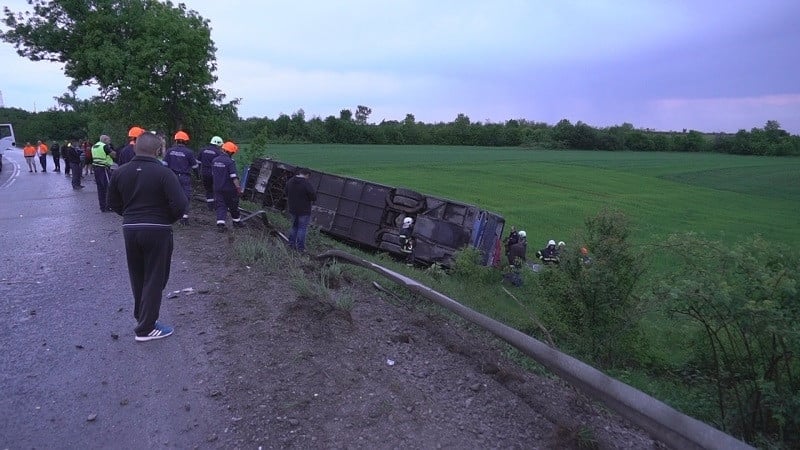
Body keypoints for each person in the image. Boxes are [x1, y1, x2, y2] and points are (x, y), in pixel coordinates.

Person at [107, 131, 189, 342]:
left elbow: (113, 203)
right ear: (158, 150)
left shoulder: (120, 172)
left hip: (131, 229)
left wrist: (130, 216)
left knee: (138, 277)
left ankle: (141, 317)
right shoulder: (164, 173)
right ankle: (146, 328)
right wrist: (165, 219)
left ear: (135, 147)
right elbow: (180, 205)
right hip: (158, 230)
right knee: (155, 278)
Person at [163, 131, 198, 225]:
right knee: (186, 197)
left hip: (171, 177)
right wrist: (198, 177)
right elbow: (195, 167)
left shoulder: (170, 151)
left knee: (170, 195)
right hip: (184, 177)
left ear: (176, 140)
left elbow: (164, 165)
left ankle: (169, 215)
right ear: (185, 141)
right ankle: (184, 217)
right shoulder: (189, 152)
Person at [211, 141, 243, 232]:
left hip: (217, 188)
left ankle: (220, 224)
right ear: (230, 152)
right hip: (229, 189)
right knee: (233, 205)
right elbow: (234, 177)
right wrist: (238, 189)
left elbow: (213, 174)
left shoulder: (214, 160)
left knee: (221, 205)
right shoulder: (230, 162)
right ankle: (236, 222)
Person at [284, 167, 317, 252]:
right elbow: (313, 196)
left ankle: (291, 244)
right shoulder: (306, 183)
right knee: (302, 228)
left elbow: (286, 192)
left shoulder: (290, 181)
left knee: (294, 227)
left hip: (292, 208)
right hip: (304, 210)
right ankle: (300, 248)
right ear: (307, 175)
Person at [90, 135, 116, 212]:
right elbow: (113, 155)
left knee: (100, 188)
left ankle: (103, 206)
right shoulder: (104, 146)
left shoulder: (94, 146)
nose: (110, 142)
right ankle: (109, 207)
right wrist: (112, 150)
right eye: (109, 140)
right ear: (104, 140)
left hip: (96, 168)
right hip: (104, 168)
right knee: (108, 187)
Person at [199, 135, 224, 210]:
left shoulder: (202, 150)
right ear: (218, 143)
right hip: (215, 173)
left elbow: (198, 162)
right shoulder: (218, 152)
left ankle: (210, 206)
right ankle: (217, 206)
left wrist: (198, 173)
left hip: (204, 172)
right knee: (216, 189)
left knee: (208, 189)